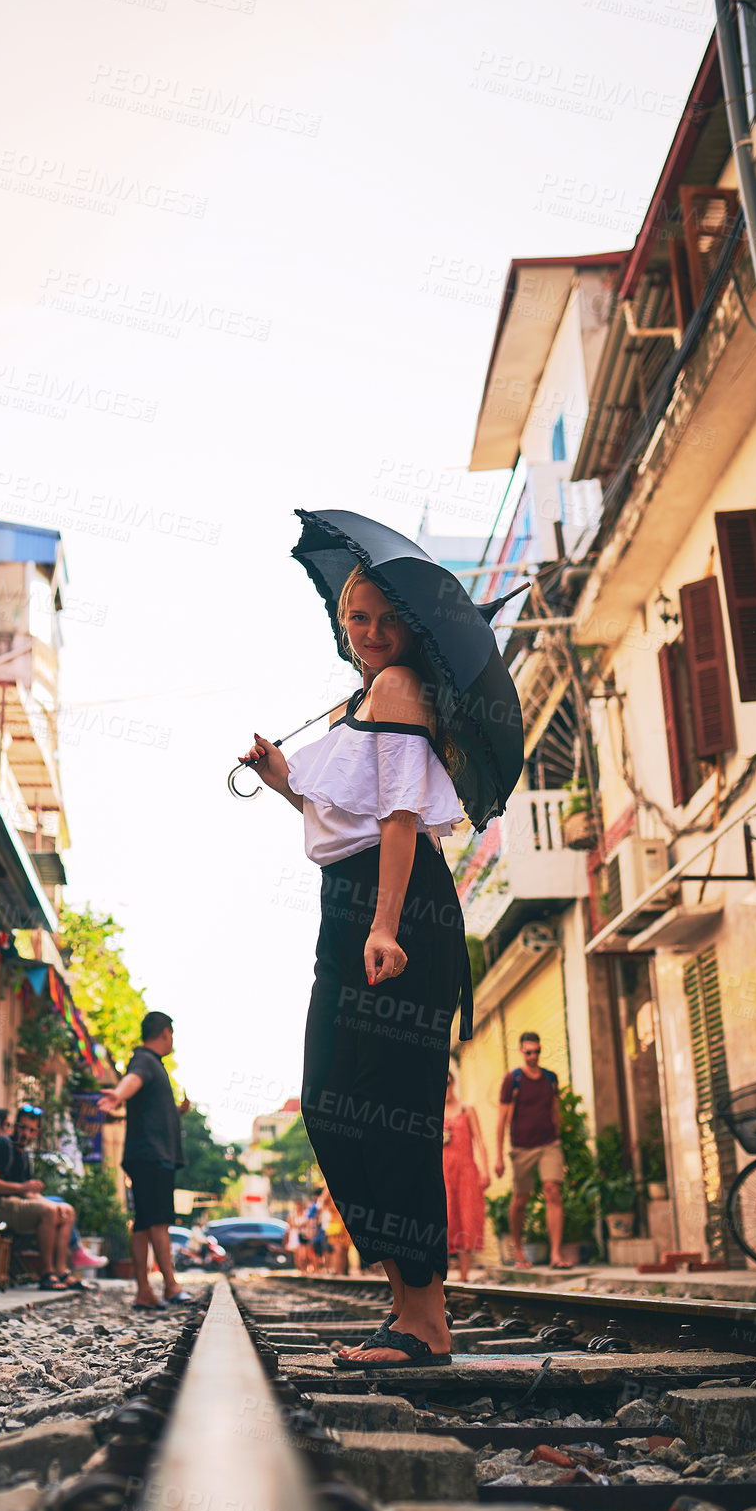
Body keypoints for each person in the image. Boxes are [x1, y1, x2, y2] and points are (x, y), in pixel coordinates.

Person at [240, 565, 468, 1367]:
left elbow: (401, 813)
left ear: (409, 629)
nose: (369, 635)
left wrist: (385, 923)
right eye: (356, 619)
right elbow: (341, 816)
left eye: (385, 621)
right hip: (349, 903)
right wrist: (282, 784)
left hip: (396, 903)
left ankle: (424, 1320)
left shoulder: (401, 686)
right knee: (333, 1104)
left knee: (389, 1108)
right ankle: (409, 1305)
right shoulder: (359, 703)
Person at [96, 1011, 198, 1311]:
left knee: (142, 1223)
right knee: (159, 1221)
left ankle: (144, 1291)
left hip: (144, 1154)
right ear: (165, 1032)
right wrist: (116, 1094)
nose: (172, 1042)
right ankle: (170, 1285)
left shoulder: (151, 1064)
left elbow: (148, 1106)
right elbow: (132, 1080)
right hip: (153, 1156)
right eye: (172, 1035)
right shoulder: (146, 1060)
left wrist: (176, 1111)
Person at [494, 1031, 570, 1268]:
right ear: (521, 1051)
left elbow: (555, 1112)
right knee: (520, 1198)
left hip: (549, 1144)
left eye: (537, 1051)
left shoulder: (550, 1078)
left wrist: (560, 1144)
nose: (533, 1056)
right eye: (529, 1052)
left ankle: (556, 1254)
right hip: (522, 1147)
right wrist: (499, 1156)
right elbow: (501, 1119)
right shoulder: (513, 1080)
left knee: (552, 1191)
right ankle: (517, 1249)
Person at [0, 1108, 79, 1292]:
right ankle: (46, 1272)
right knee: (49, 1211)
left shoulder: (25, 1156)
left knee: (66, 1210)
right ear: (15, 1126)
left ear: (37, 1133)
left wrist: (38, 1195)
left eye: (31, 1130)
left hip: (16, 1205)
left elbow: (26, 1193)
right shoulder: (2, 1146)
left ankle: (61, 1271)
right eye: (22, 1128)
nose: (25, 1134)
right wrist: (23, 1188)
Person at [442, 1067, 489, 1282]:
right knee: (446, 1218)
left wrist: (485, 1170)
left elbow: (479, 1140)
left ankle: (464, 1275)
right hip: (442, 1171)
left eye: (449, 1083)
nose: (446, 1088)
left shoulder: (466, 1109)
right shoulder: (433, 1111)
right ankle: (441, 1276)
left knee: (466, 1218)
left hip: (466, 1171)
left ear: (454, 1084)